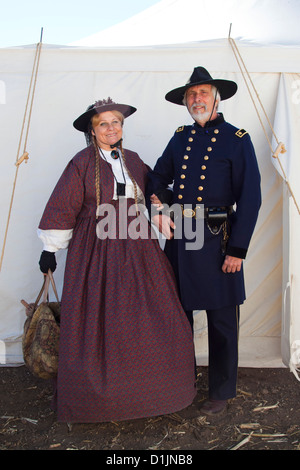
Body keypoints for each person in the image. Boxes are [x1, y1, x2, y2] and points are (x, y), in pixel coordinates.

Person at [37, 98, 196, 423]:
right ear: (92, 131)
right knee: (99, 317)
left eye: (116, 122)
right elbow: (64, 203)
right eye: (103, 124)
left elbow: (154, 193)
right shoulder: (81, 163)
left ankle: (155, 390)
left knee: (154, 313)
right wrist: (50, 248)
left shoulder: (134, 160)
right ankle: (99, 399)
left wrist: (163, 209)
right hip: (95, 252)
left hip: (139, 249)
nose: (111, 128)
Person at [147, 67, 261, 416]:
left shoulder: (237, 138)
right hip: (181, 239)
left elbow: (251, 196)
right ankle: (178, 385)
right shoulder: (179, 137)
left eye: (203, 93)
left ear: (217, 98)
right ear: (186, 102)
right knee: (177, 316)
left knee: (222, 322)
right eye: (191, 95)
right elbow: (156, 178)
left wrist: (237, 250)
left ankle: (221, 393)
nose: (197, 99)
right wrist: (161, 207)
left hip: (218, 241)